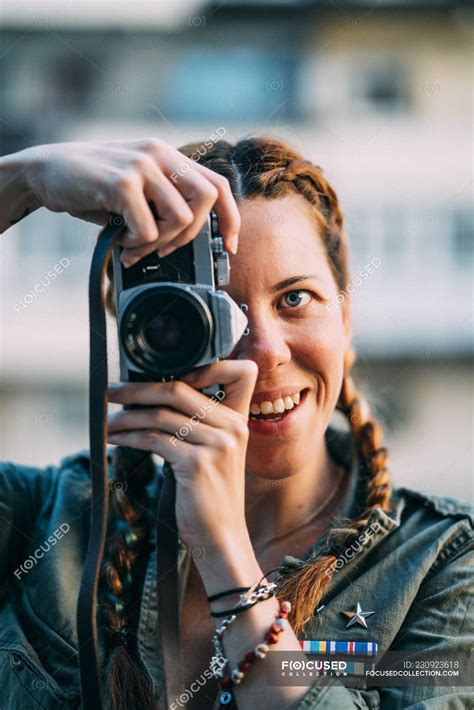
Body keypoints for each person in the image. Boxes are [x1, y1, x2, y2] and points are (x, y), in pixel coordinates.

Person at [0, 136, 472, 710]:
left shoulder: (443, 563)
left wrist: (228, 562)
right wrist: (23, 178)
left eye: (295, 298)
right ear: (140, 330)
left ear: (345, 317)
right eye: (216, 313)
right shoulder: (43, 521)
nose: (264, 352)